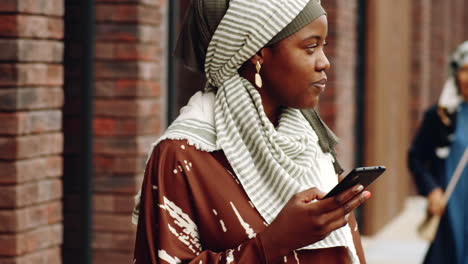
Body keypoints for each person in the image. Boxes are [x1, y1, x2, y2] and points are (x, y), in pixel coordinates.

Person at [132, 0, 371, 263]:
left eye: (323, 47)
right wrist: (273, 242)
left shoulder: (310, 139)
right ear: (257, 53)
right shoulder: (182, 154)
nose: (324, 63)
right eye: (310, 47)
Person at [408, 40, 468, 264]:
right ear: (455, 75)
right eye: (464, 70)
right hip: (452, 207)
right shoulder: (440, 115)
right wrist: (431, 190)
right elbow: (415, 156)